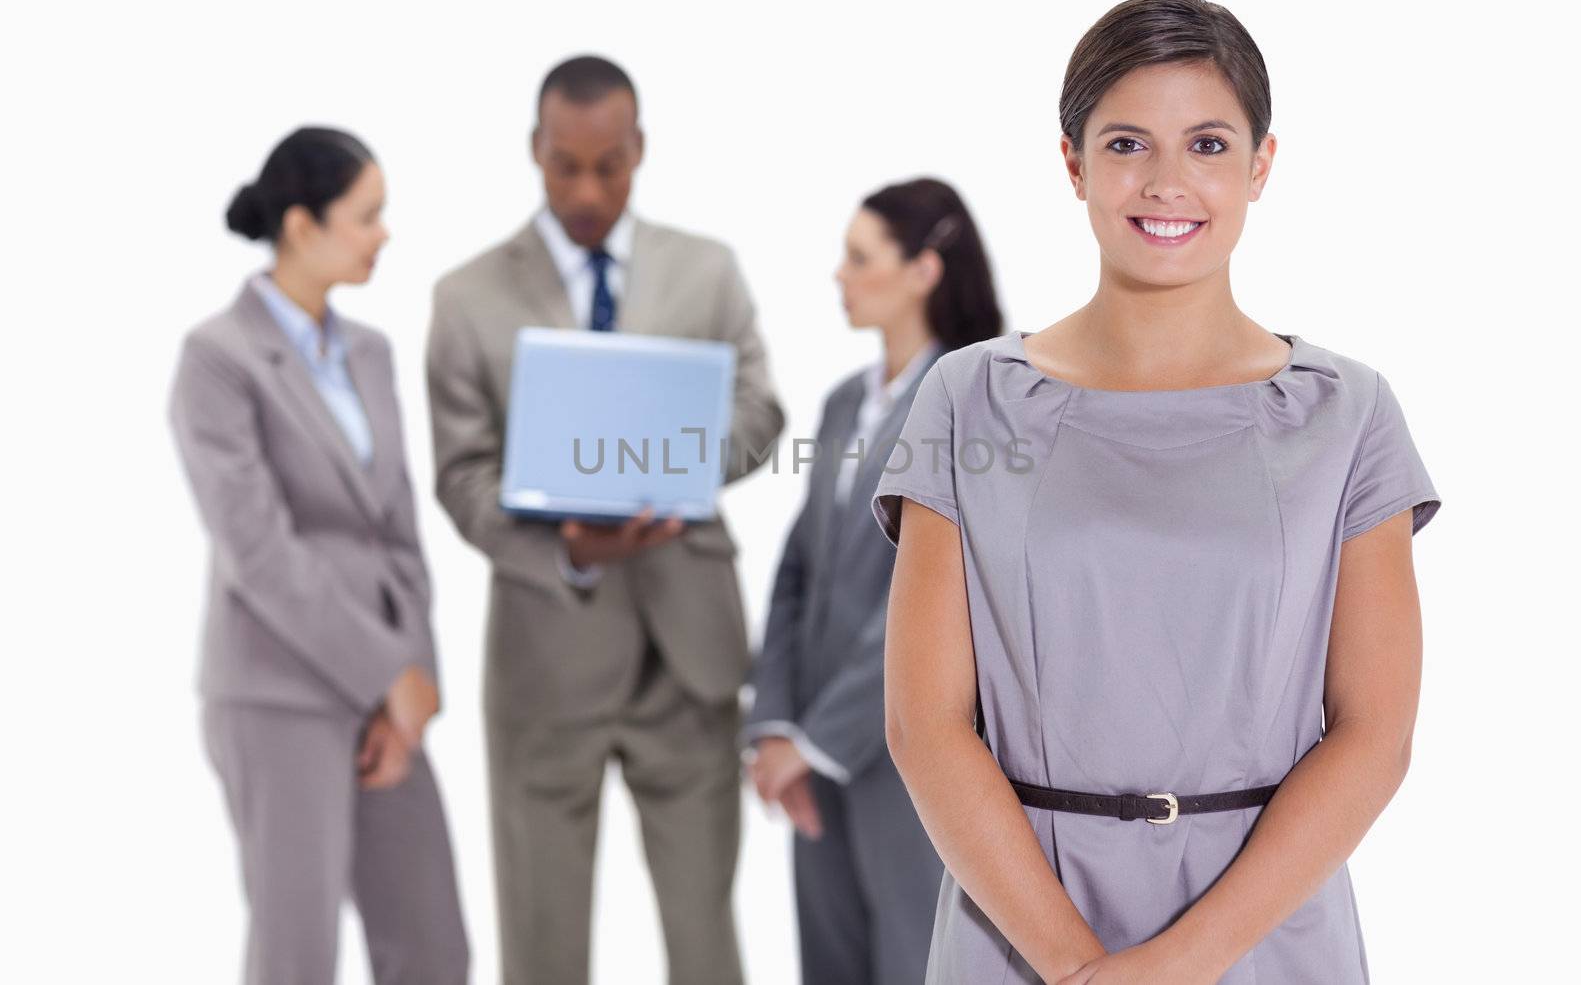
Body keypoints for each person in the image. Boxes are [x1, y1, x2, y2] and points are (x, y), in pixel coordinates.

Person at [871, 0, 1444, 985]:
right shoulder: (966, 399)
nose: (1168, 182)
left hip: (1267, 929)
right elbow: (924, 724)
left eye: (1209, 145)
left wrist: (1182, 963)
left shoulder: (1347, 412)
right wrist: (1074, 966)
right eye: (1128, 142)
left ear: (1262, 165)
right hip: (1019, 926)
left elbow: (1374, 733)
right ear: (1072, 162)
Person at [426, 54, 784, 985]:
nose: (588, 189)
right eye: (565, 166)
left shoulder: (707, 271)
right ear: (535, 152)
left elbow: (760, 411)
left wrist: (672, 466)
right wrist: (569, 548)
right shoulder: (465, 299)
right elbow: (461, 476)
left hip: (689, 654)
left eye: (610, 165)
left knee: (706, 938)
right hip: (548, 657)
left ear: (640, 152)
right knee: (542, 944)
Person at [168, 126, 470, 984]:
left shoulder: (369, 351)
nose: (384, 235)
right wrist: (386, 672)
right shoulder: (218, 360)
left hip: (388, 696)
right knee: (298, 951)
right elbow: (258, 550)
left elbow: (400, 530)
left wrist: (413, 682)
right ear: (302, 225)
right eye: (367, 216)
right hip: (278, 691)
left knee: (432, 942)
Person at [743, 177, 1002, 984]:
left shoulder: (975, 397)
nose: (840, 276)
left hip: (909, 753)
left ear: (924, 270)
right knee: (831, 963)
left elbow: (927, 598)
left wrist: (816, 742)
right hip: (814, 752)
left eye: (860, 258)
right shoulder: (842, 401)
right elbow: (796, 570)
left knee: (914, 959)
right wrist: (777, 725)